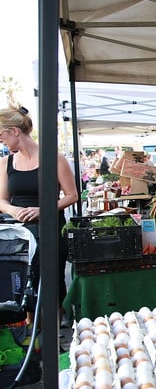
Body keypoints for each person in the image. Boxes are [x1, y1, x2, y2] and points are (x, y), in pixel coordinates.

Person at [0, 106, 79, 326]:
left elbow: (72, 195)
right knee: (25, 281)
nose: (0, 140)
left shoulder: (55, 158)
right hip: (21, 234)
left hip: (50, 229)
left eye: (1, 134)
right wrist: (13, 210)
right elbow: (2, 201)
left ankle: (54, 332)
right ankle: (31, 333)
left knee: (53, 281)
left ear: (14, 131)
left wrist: (44, 209)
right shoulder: (6, 163)